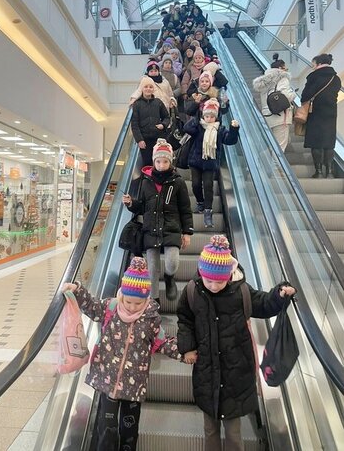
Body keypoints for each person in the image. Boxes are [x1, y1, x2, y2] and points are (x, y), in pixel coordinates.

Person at [177, 235, 297, 451]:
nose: (214, 286)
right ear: (201, 273)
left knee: (233, 432)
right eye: (209, 281)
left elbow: (263, 303)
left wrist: (279, 295)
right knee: (210, 429)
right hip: (207, 372)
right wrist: (187, 347)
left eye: (219, 281)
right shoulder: (193, 291)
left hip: (236, 372)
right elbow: (185, 319)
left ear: (229, 275)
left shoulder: (241, 291)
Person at [63, 257, 181, 451]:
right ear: (121, 295)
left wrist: (184, 353)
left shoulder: (151, 318)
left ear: (146, 299)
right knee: (106, 428)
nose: (132, 307)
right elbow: (91, 306)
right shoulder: (110, 308)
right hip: (107, 380)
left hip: (134, 386)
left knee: (129, 431)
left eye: (138, 303)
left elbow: (162, 342)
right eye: (128, 301)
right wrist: (77, 290)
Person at [122, 139, 193, 301]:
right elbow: (142, 207)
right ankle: (154, 301)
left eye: (165, 161)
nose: (162, 165)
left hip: (171, 228)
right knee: (152, 269)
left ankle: (169, 277)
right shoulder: (145, 181)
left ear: (170, 162)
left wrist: (187, 232)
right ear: (154, 161)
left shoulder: (178, 182)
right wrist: (131, 203)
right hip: (151, 229)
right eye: (158, 161)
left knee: (172, 262)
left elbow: (185, 209)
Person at [183, 99, 239, 227]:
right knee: (195, 185)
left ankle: (208, 212)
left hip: (210, 162)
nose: (209, 119)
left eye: (212, 116)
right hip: (195, 161)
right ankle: (200, 202)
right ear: (203, 116)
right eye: (207, 116)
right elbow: (187, 128)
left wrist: (234, 129)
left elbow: (230, 140)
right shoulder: (198, 127)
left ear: (216, 117)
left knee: (208, 186)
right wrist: (197, 117)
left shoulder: (220, 129)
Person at [300, 53, 341, 178]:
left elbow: (305, 95)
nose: (312, 66)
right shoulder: (336, 78)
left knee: (316, 142)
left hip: (316, 112)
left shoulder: (314, 76)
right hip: (331, 112)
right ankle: (329, 172)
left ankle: (318, 172)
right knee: (329, 142)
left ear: (319, 63)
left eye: (313, 64)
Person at [252, 54, 296, 152]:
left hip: (267, 115)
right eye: (285, 68)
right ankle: (275, 163)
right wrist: (293, 94)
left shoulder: (263, 81)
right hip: (280, 116)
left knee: (272, 145)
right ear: (280, 68)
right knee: (280, 147)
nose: (286, 70)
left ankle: (263, 160)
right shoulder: (282, 78)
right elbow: (287, 95)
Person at [130, 79, 170, 167]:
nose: (148, 89)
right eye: (146, 87)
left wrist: (163, 125)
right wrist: (139, 140)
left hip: (158, 139)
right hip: (145, 140)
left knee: (159, 163)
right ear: (142, 88)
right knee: (147, 163)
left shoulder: (158, 102)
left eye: (151, 87)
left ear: (153, 89)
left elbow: (167, 117)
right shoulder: (137, 104)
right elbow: (134, 124)